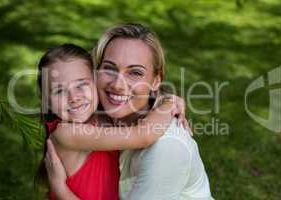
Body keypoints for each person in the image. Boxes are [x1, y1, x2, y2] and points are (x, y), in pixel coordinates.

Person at [45, 23, 214, 199]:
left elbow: (145, 134)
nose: (118, 85)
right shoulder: (97, 120)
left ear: (156, 81)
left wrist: (60, 190)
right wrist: (167, 103)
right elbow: (141, 134)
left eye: (134, 72)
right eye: (109, 68)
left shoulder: (166, 147)